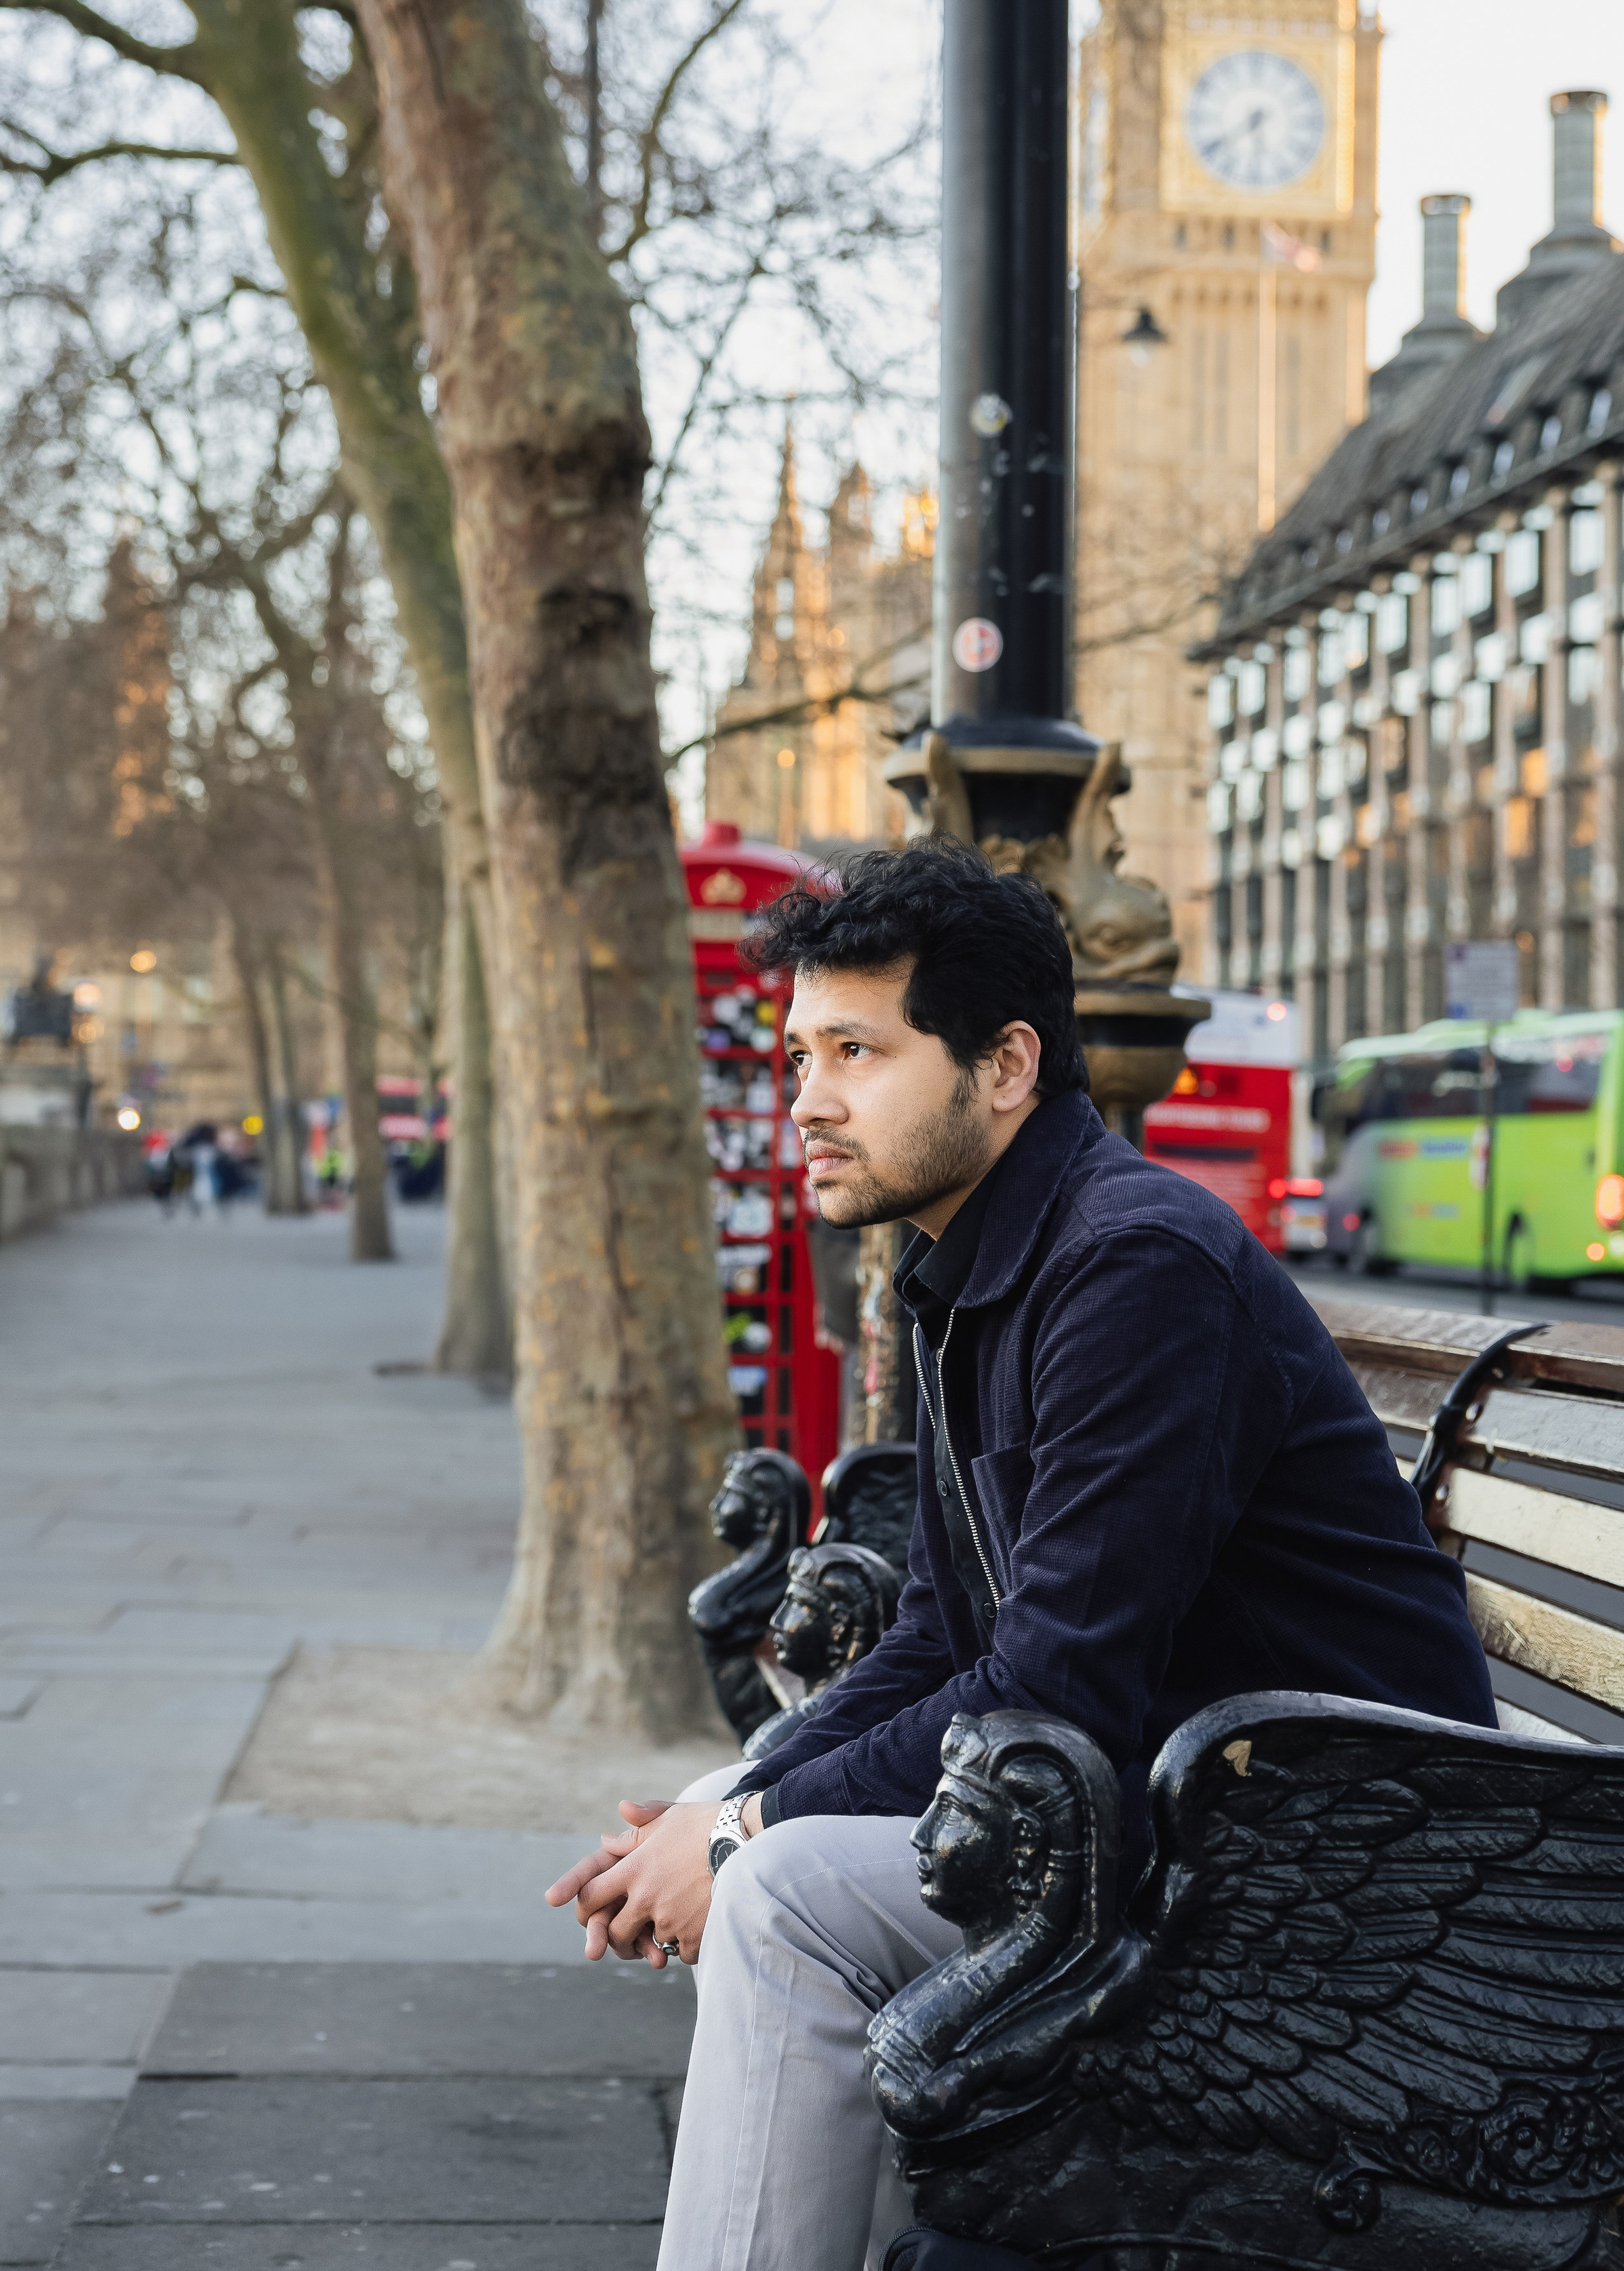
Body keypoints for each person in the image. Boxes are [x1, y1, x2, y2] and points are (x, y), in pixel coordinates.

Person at [545, 840, 1496, 2271]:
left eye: (857, 1051)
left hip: (1332, 1867)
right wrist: (726, 1798)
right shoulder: (975, 1263)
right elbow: (939, 1641)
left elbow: (1054, 1685)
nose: (807, 1099)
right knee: (740, 1823)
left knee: (781, 1900)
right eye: (800, 1053)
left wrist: (742, 1841)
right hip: (1166, 1814)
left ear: (1002, 1066)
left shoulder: (1130, 1268)